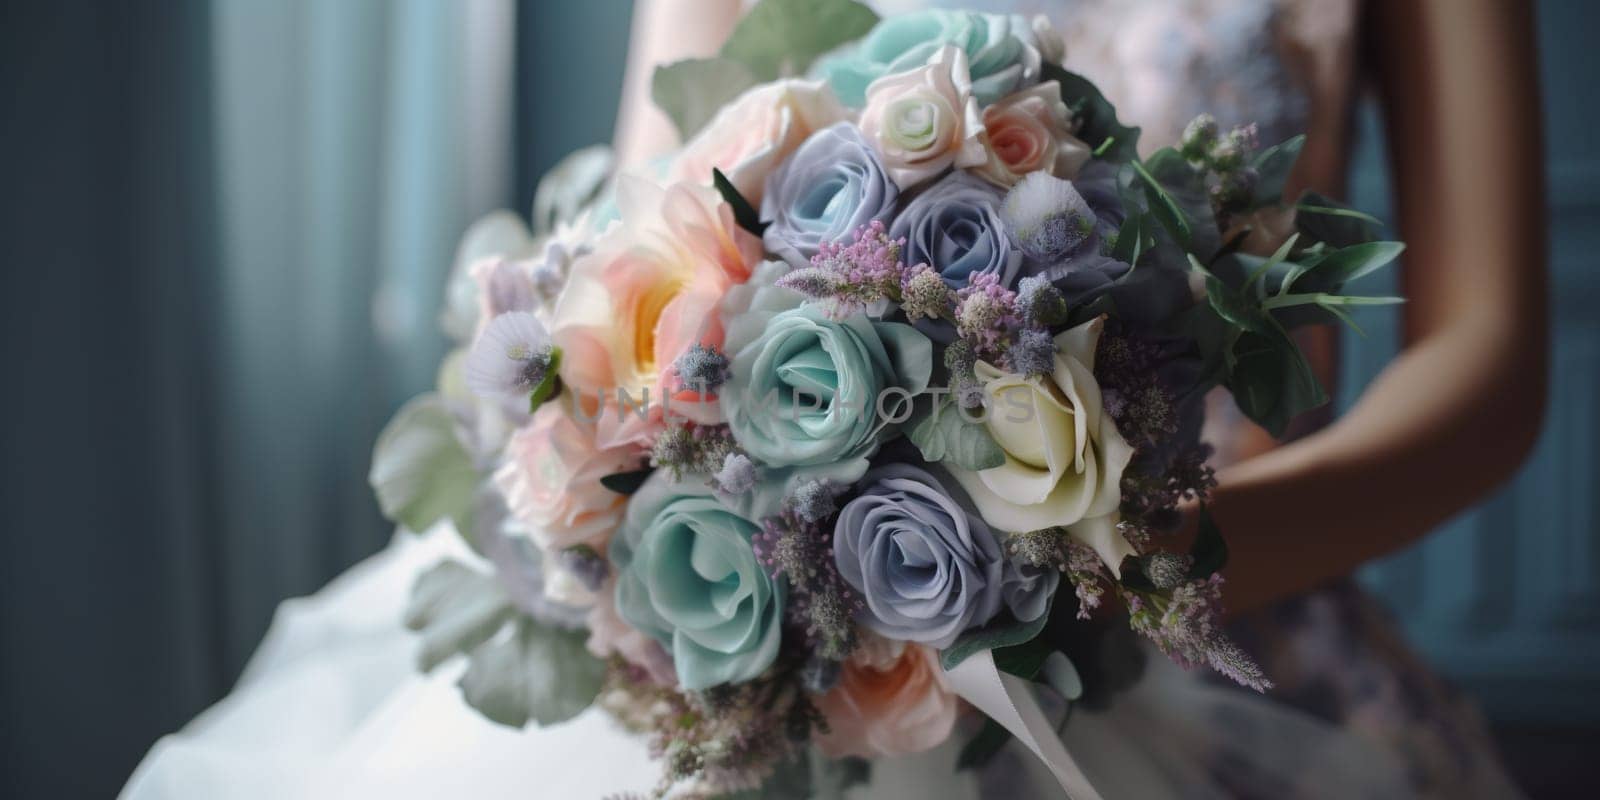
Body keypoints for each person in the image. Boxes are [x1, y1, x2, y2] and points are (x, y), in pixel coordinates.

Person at [124, 1, 1543, 797]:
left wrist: (1157, 558)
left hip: (1228, 606)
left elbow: (1487, 359)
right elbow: (663, 226)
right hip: (817, 649)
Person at [617, 0, 1543, 797]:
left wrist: (1152, 569)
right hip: (848, 675)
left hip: (1249, 620)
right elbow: (643, 265)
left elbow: (1485, 355)